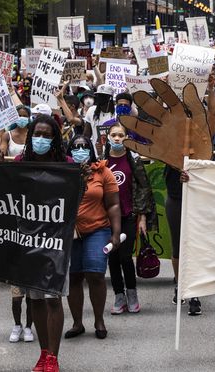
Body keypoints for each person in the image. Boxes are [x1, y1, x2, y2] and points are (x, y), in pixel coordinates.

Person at [20, 116, 68, 372]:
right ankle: (43, 352)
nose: (41, 139)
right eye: (37, 134)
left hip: (57, 240)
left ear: (55, 138)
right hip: (28, 240)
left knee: (53, 299)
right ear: (30, 136)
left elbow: (76, 198)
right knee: (35, 299)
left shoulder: (66, 165)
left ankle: (54, 357)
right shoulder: (20, 163)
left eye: (47, 135)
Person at [64, 135, 120, 340]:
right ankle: (77, 323)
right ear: (69, 152)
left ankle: (99, 320)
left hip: (98, 229)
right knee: (74, 276)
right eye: (75, 147)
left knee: (95, 274)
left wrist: (115, 234)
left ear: (91, 150)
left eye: (84, 147)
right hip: (71, 233)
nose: (80, 151)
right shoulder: (63, 172)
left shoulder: (103, 172)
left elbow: (113, 205)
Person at [104, 123, 155, 316]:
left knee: (125, 256)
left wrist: (142, 217)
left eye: (120, 135)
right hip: (107, 218)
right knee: (113, 257)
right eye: (114, 135)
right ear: (108, 137)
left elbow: (143, 188)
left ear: (126, 138)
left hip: (129, 216)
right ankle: (119, 296)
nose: (117, 138)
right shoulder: (103, 161)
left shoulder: (133, 159)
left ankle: (132, 294)